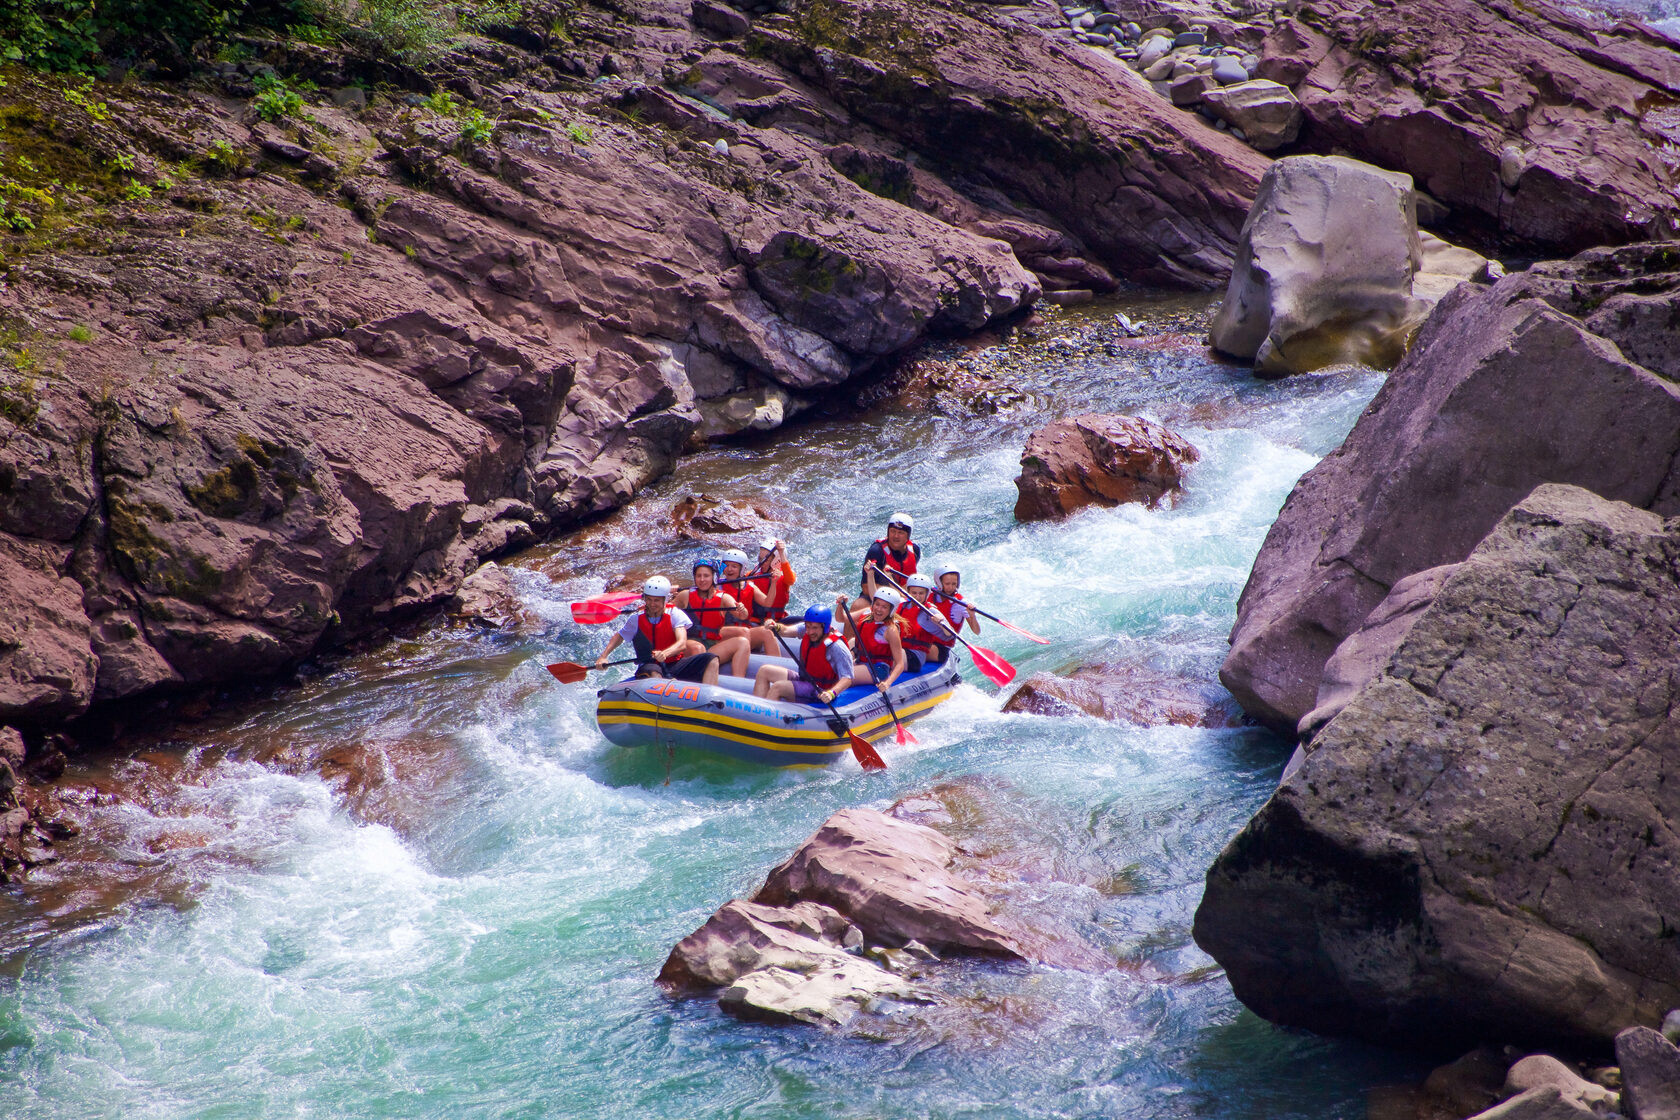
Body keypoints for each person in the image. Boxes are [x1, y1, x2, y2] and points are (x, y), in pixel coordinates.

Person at [594, 576, 720, 684]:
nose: (652, 604)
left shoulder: (675, 614)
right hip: (649, 665)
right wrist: (603, 657)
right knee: (654, 672)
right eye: (649, 599)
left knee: (711, 658)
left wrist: (665, 653)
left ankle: (709, 699)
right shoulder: (636, 618)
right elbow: (619, 636)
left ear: (665, 600)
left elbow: (681, 643)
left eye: (656, 600)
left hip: (674, 664)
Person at [752, 604, 855, 705]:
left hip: (820, 690)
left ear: (825, 627)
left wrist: (831, 693)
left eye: (814, 628)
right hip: (806, 679)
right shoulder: (807, 629)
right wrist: (775, 626)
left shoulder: (836, 647)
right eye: (808, 626)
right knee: (764, 670)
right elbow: (786, 630)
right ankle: (754, 713)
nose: (810, 632)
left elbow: (847, 678)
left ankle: (767, 718)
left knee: (778, 687)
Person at [672, 557, 752, 677]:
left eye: (706, 576)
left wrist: (742, 609)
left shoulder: (724, 598)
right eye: (698, 576)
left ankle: (738, 681)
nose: (702, 579)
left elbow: (742, 616)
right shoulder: (685, 595)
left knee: (743, 642)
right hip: (690, 645)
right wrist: (666, 595)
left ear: (714, 577)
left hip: (712, 645)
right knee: (698, 648)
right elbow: (666, 611)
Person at [837, 589, 907, 693]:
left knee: (843, 675)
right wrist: (840, 605)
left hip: (879, 669)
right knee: (833, 671)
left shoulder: (891, 630)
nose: (879, 609)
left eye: (884, 607)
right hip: (862, 661)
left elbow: (899, 664)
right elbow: (841, 618)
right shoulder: (867, 612)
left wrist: (887, 683)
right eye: (877, 604)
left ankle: (831, 695)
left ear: (891, 610)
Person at [855, 512, 919, 610]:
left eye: (901, 533)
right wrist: (896, 595)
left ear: (908, 536)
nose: (896, 536)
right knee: (857, 606)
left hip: (905, 595)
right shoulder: (877, 551)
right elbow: (865, 587)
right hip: (879, 596)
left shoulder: (915, 550)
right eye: (893, 531)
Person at [895, 571, 956, 670]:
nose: (917, 597)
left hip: (915, 657)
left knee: (888, 655)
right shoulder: (901, 606)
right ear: (908, 592)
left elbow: (951, 635)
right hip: (901, 650)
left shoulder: (931, 611)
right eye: (914, 593)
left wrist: (941, 623)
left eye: (921, 593)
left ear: (927, 594)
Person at [930, 563, 981, 636]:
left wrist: (972, 616)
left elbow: (977, 631)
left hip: (942, 642)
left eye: (954, 584)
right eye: (947, 584)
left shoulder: (961, 603)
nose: (951, 588)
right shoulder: (929, 592)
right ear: (939, 582)